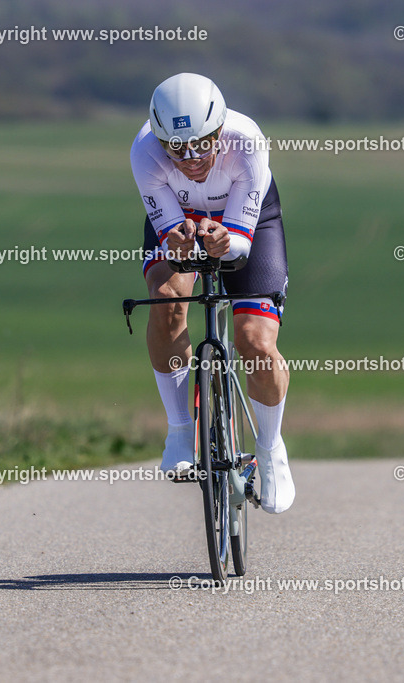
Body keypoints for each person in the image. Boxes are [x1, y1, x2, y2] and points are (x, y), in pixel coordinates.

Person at [130, 73, 294, 513]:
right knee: (166, 302)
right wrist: (176, 241)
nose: (192, 158)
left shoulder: (247, 142)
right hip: (180, 214)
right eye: (177, 148)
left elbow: (239, 244)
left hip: (248, 221)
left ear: (220, 129)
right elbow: (166, 230)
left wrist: (225, 240)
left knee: (255, 341)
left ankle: (269, 447)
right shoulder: (144, 152)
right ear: (160, 140)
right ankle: (181, 430)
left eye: (203, 143)